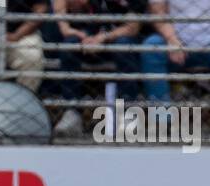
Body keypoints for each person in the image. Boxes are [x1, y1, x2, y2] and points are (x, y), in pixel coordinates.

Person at [140, 0, 210, 136]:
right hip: (177, 39)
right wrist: (171, 39)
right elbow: (158, 12)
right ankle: (163, 122)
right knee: (152, 47)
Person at [52, 0, 145, 136]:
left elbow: (132, 27)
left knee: (124, 46)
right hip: (90, 37)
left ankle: (128, 111)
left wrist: (104, 38)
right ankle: (72, 112)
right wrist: (83, 36)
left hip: (119, 40)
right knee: (70, 44)